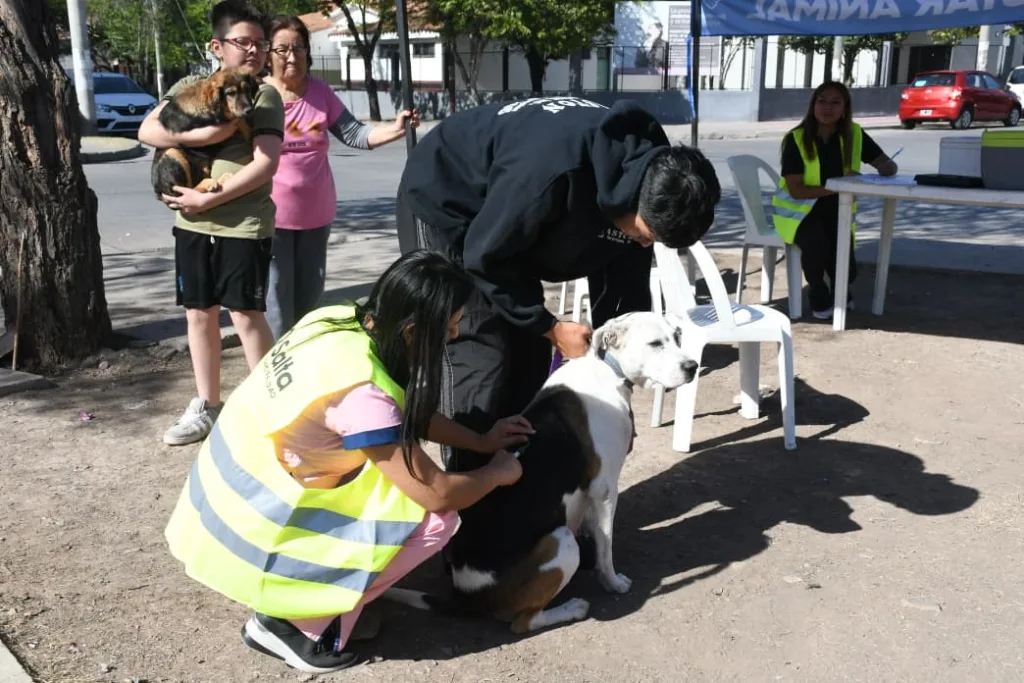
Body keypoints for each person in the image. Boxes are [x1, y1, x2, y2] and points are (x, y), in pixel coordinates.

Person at [164, 250, 534, 673]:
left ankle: (327, 600)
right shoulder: (362, 395)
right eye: (448, 327)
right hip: (257, 526)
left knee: (393, 487)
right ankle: (293, 625)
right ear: (414, 332)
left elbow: (400, 409)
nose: (453, 337)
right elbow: (438, 493)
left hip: (228, 493)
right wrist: (495, 473)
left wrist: (481, 439)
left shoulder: (338, 321)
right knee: (435, 521)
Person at [396, 96, 721, 470]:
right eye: (647, 235)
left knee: (530, 354)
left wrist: (619, 396)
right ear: (633, 199)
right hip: (447, 202)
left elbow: (624, 298)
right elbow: (485, 256)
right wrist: (551, 327)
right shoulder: (551, 170)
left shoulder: (649, 184)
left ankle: (517, 482)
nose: (646, 245)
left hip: (507, 229)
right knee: (481, 348)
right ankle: (470, 490)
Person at [139, 0, 284, 446]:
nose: (255, 50)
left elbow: (265, 163)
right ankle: (207, 405)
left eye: (261, 44)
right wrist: (208, 135)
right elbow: (147, 130)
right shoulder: (188, 85)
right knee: (199, 314)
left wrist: (211, 196)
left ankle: (270, 411)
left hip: (243, 224)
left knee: (245, 314)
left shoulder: (264, 94)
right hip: (192, 225)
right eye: (244, 42)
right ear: (217, 46)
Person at [263, 15, 420, 340]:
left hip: (315, 215)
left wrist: (395, 129)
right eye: (282, 49)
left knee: (309, 301)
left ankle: (304, 355)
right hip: (270, 216)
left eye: (299, 48)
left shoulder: (320, 92)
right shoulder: (258, 95)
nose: (292, 56)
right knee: (275, 301)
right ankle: (277, 362)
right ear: (268, 54)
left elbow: (355, 133)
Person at [772, 81, 898, 320]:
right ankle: (818, 294)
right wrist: (840, 186)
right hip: (799, 213)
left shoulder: (854, 134)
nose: (827, 108)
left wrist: (887, 167)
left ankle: (841, 291)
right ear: (813, 105)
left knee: (847, 265)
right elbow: (797, 190)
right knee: (817, 246)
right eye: (822, 101)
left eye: (835, 102)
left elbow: (885, 163)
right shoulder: (796, 139)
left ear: (844, 108)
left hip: (837, 209)